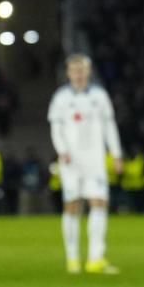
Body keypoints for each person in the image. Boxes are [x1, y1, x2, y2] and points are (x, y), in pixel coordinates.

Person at [47, 54, 123, 274]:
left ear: (88, 72)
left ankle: (95, 258)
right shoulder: (60, 98)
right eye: (74, 70)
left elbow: (109, 126)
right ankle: (72, 258)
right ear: (69, 73)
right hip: (71, 161)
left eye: (82, 70)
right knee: (72, 205)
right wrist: (62, 151)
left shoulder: (99, 96)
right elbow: (56, 128)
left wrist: (116, 153)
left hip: (95, 160)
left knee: (99, 203)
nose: (78, 74)